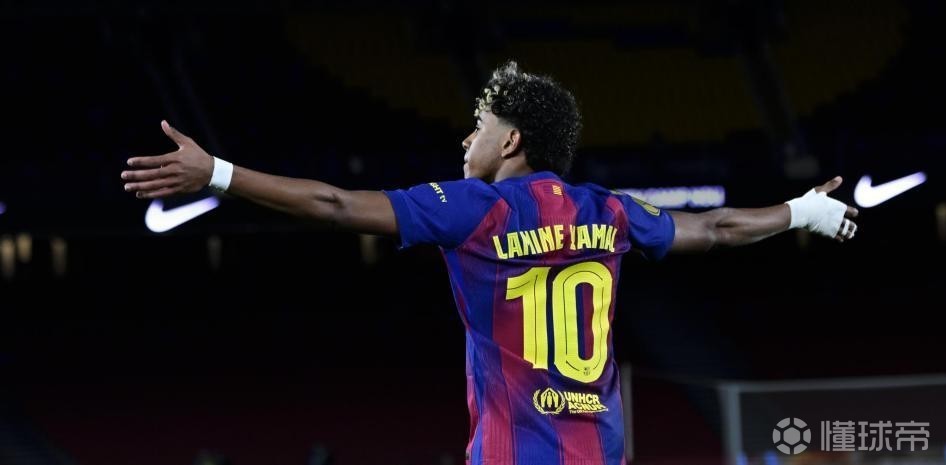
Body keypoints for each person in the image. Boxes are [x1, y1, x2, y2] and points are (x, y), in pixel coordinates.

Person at [121, 61, 858, 465]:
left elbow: (336, 206)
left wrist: (217, 173)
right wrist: (803, 211)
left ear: (510, 142)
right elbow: (719, 228)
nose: (466, 139)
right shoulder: (608, 210)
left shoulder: (474, 209)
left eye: (479, 125)